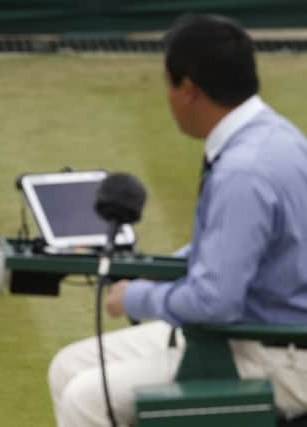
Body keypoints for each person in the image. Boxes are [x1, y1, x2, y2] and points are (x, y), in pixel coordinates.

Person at [48, 14, 307, 427]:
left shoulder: (243, 171)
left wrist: (134, 298)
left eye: (166, 84)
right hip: (258, 334)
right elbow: (235, 251)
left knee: (85, 399)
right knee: (67, 366)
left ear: (188, 90)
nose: (166, 97)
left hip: (277, 355)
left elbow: (215, 302)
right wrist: (158, 273)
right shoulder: (280, 136)